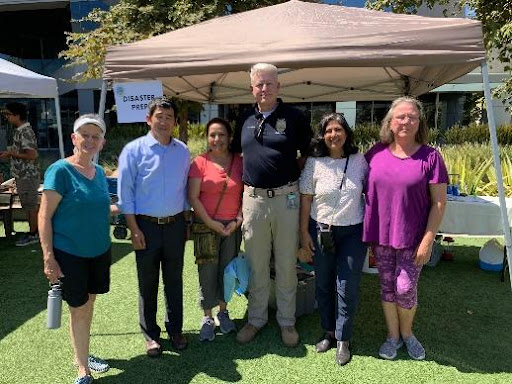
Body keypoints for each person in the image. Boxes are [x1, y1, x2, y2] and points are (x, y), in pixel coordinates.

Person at [231, 63, 312, 347]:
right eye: (258, 84)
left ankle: (286, 322)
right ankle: (256, 319)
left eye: (268, 83)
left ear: (278, 86)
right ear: (251, 88)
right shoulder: (243, 118)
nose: (263, 88)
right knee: (256, 263)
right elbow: (235, 156)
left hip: (286, 199)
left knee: (287, 262)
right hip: (252, 200)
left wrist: (293, 172)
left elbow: (308, 153)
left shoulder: (294, 117)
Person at [363, 96, 448, 361]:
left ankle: (408, 334)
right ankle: (393, 336)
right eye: (400, 116)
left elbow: (439, 202)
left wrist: (428, 240)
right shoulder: (374, 153)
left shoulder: (431, 157)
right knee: (387, 286)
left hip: (413, 238)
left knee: (405, 288)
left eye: (412, 116)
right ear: (390, 121)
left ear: (419, 122)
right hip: (382, 237)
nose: (406, 121)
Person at [39, 114, 111, 384]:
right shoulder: (60, 171)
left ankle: (81, 353)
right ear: (74, 139)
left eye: (96, 136)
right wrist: (48, 258)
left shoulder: (100, 172)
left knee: (88, 304)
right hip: (70, 254)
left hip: (99, 251)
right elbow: (44, 216)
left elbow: (99, 207)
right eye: (85, 135)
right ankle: (83, 369)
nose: (90, 141)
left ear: (102, 142)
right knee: (79, 308)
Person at [117, 97, 190, 357]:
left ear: (175, 122)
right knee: (147, 283)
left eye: (169, 117)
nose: (164, 121)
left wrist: (186, 222)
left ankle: (176, 330)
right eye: (159, 116)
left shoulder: (182, 151)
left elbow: (184, 190)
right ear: (149, 119)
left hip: (175, 226)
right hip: (145, 227)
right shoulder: (133, 150)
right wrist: (133, 228)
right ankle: (150, 335)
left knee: (174, 281)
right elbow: (126, 194)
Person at [299, 113, 368, 366]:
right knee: (324, 285)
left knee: (346, 287)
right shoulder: (314, 164)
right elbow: (306, 198)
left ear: (346, 133)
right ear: (322, 135)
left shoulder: (360, 161)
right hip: (321, 230)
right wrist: (303, 233)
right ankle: (328, 332)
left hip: (353, 232)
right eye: (328, 130)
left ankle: (343, 339)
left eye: (338, 129)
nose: (333, 135)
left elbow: (372, 193)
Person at [188, 117, 243, 342]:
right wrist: (211, 223)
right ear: (207, 138)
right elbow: (192, 197)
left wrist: (237, 221)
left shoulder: (240, 162)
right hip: (205, 226)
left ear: (229, 138)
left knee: (227, 271)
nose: (217, 139)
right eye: (212, 135)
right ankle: (208, 317)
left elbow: (246, 195)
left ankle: (223, 311)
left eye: (221, 134)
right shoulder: (199, 162)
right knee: (207, 272)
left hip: (232, 227)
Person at [0, 102, 40, 246]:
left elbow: (32, 155)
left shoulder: (25, 131)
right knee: (28, 206)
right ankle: (32, 232)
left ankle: (33, 234)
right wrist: (11, 154)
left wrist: (11, 153)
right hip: (24, 176)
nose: (6, 117)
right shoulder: (21, 130)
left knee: (31, 206)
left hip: (28, 176)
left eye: (8, 114)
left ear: (17, 115)